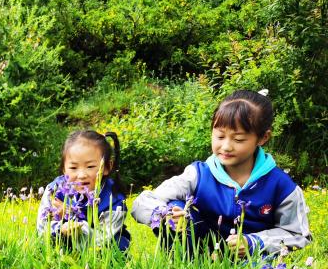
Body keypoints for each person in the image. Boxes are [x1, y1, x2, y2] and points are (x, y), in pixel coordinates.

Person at [131, 90, 311, 257]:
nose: (226, 146)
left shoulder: (281, 185)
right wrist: (165, 214)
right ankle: (185, 268)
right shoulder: (198, 174)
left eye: (238, 139)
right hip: (200, 254)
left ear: (263, 138)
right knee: (174, 206)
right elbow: (141, 203)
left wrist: (254, 242)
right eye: (220, 136)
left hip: (251, 260)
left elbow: (298, 234)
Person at [36, 130, 130, 251]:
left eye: (90, 166)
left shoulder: (115, 199)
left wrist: (71, 216)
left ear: (107, 167)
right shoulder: (54, 190)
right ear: (64, 169)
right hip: (62, 247)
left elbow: (101, 239)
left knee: (116, 243)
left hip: (102, 252)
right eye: (73, 167)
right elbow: (42, 228)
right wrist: (60, 229)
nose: (81, 175)